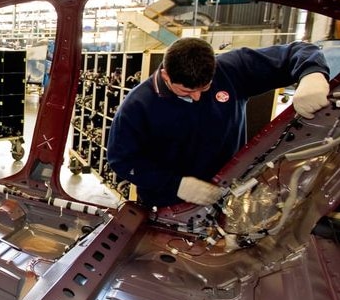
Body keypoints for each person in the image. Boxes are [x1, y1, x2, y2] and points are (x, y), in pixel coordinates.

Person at [107, 38, 330, 208]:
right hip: (167, 203)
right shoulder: (137, 105)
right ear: (165, 75)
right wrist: (175, 184)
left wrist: (312, 74)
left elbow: (297, 51)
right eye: (186, 91)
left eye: (203, 88)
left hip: (229, 191)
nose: (196, 97)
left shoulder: (231, 69)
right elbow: (122, 160)